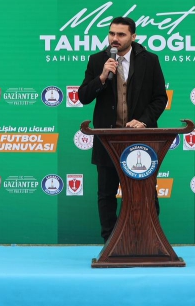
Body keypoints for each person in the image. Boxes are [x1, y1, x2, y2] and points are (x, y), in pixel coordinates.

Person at [78, 16, 167, 242]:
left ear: (133, 36)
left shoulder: (150, 60)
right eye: (111, 34)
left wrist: (143, 121)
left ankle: (146, 241)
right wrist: (102, 77)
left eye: (121, 34)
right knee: (106, 194)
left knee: (145, 193)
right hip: (107, 140)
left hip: (140, 140)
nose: (114, 39)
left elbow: (160, 98)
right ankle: (110, 243)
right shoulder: (98, 60)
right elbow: (83, 96)